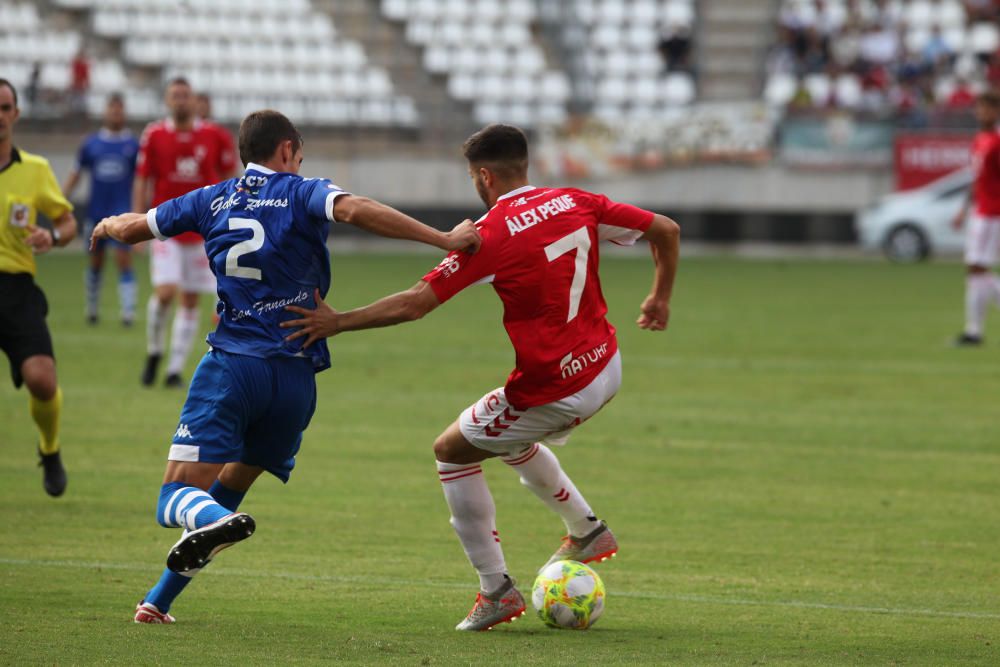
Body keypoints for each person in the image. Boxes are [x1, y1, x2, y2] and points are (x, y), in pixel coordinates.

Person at [282, 124, 680, 631]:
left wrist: (336, 322)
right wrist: (659, 296)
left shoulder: (491, 234)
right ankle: (585, 529)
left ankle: (496, 590)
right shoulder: (575, 200)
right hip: (606, 364)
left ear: (484, 176)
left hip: (555, 388)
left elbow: (414, 304)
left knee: (451, 450)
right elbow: (666, 228)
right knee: (499, 432)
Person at [89, 109, 481, 624]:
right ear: (287, 149)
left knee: (174, 497)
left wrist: (107, 223)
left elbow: (135, 227)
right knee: (226, 492)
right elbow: (356, 208)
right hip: (296, 377)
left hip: (234, 368)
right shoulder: (303, 192)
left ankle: (205, 528)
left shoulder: (209, 198)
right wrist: (444, 239)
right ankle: (157, 602)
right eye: (299, 155)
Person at [0, 78, 78, 496]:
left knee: (43, 380)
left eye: (4, 107)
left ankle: (49, 449)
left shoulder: (35, 170)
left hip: (14, 287)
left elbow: (67, 222)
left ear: (15, 114)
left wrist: (54, 237)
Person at [135, 77, 238, 388]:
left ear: (195, 101)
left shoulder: (214, 135)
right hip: (165, 226)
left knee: (190, 299)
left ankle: (174, 369)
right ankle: (154, 350)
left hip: (203, 230)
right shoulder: (154, 135)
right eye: (175, 95)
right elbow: (142, 178)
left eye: (185, 95)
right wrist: (138, 223)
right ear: (167, 100)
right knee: (166, 292)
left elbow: (230, 177)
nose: (180, 100)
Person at [63, 93, 140, 325]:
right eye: (112, 109)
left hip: (122, 213)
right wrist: (60, 199)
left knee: (123, 258)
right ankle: (92, 307)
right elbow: (76, 174)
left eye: (119, 110)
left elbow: (141, 179)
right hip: (96, 212)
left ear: (124, 113)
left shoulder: (133, 145)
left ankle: (128, 312)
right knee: (95, 261)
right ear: (106, 112)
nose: (116, 114)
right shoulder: (92, 144)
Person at [952, 90, 1000, 345]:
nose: (981, 112)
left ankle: (973, 332)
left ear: (995, 112)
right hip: (981, 211)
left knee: (977, 267)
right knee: (976, 270)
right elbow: (976, 179)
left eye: (986, 108)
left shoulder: (996, 141)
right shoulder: (979, 139)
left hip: (994, 213)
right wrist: (963, 208)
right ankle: (974, 331)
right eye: (979, 108)